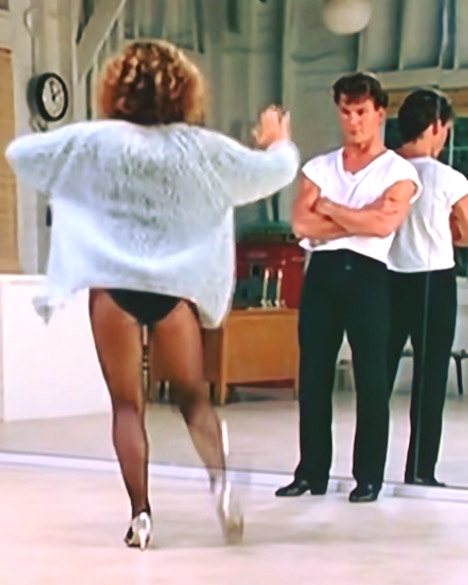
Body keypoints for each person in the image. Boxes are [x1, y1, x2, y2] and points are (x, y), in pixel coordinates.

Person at [5, 40, 299, 549]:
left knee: (126, 407)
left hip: (113, 290)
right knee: (194, 399)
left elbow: (20, 155)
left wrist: (79, 176)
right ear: (184, 90)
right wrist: (278, 142)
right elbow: (273, 173)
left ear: (114, 87)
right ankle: (220, 484)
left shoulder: (95, 142)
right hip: (172, 290)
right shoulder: (200, 148)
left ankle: (140, 516)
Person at [275, 72, 421, 503]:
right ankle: (311, 472)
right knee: (314, 375)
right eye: (345, 112)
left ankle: (369, 476)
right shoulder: (319, 167)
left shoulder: (398, 171)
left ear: (379, 113)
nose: (353, 121)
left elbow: (383, 225)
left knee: (371, 378)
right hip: (322, 274)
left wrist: (329, 208)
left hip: (369, 277)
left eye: (361, 112)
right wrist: (357, 219)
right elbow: (301, 223)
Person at [387, 89, 468, 487]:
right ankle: (419, 471)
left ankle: (367, 470)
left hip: (386, 280)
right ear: (436, 127)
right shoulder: (448, 178)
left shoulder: (382, 170)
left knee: (376, 376)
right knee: (430, 379)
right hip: (433, 282)